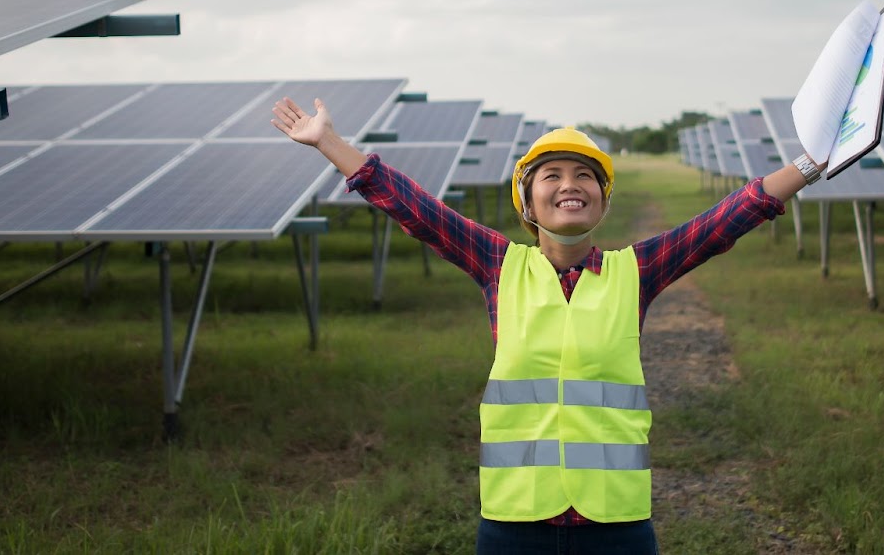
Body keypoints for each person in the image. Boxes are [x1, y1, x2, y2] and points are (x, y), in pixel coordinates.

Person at [271, 97, 822, 555]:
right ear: (528, 202)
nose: (569, 184)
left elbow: (727, 219)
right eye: (551, 175)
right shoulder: (499, 265)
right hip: (515, 522)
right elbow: (417, 210)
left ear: (603, 202)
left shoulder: (636, 271)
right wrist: (329, 143)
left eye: (585, 175)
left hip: (617, 524)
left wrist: (809, 164)